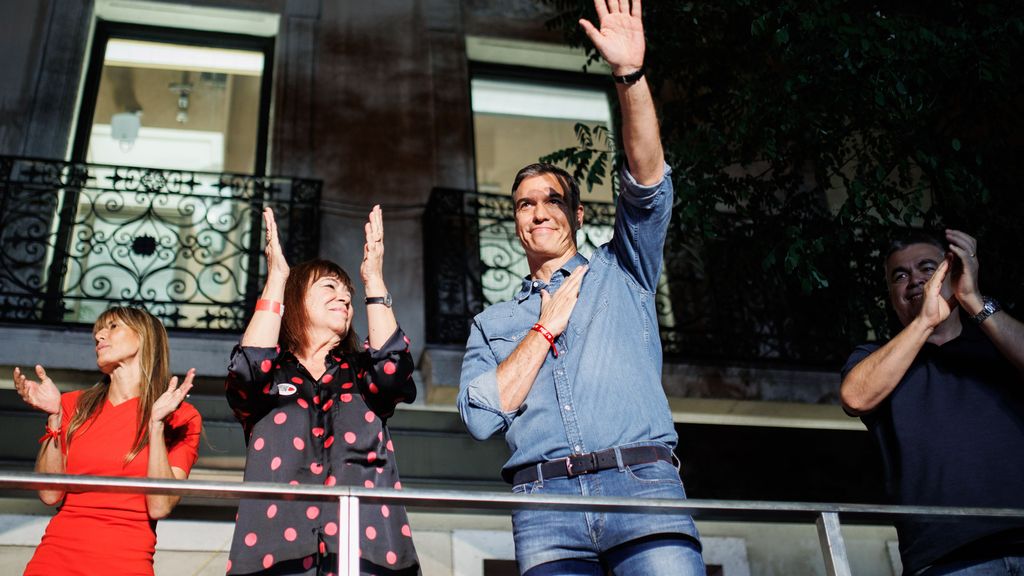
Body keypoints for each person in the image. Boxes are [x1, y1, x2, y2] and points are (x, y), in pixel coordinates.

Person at [457, 1, 704, 574]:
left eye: (552, 200)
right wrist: (543, 329)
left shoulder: (623, 270)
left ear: (579, 213)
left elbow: (647, 179)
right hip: (545, 507)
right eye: (524, 204)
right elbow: (480, 418)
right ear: (514, 221)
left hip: (641, 489)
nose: (538, 212)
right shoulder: (492, 325)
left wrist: (630, 76)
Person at [225, 206, 419, 575]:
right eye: (329, 287)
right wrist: (277, 280)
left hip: (367, 552)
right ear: (297, 300)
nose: (344, 298)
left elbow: (393, 371)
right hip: (277, 554)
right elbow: (245, 371)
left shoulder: (361, 372)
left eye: (347, 293)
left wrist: (373, 281)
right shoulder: (271, 374)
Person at [841, 229, 1024, 575]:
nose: (915, 281)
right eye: (900, 275)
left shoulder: (1000, 345)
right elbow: (855, 396)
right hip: (948, 559)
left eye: (928, 268)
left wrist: (972, 299)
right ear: (892, 296)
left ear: (953, 274)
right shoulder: (874, 357)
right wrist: (926, 321)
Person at [14, 306, 202, 576]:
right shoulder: (70, 404)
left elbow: (160, 506)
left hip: (126, 562)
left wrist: (156, 424)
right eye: (98, 331)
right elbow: (49, 494)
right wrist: (54, 417)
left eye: (113, 326)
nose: (99, 335)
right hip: (55, 559)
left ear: (145, 337)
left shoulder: (181, 416)